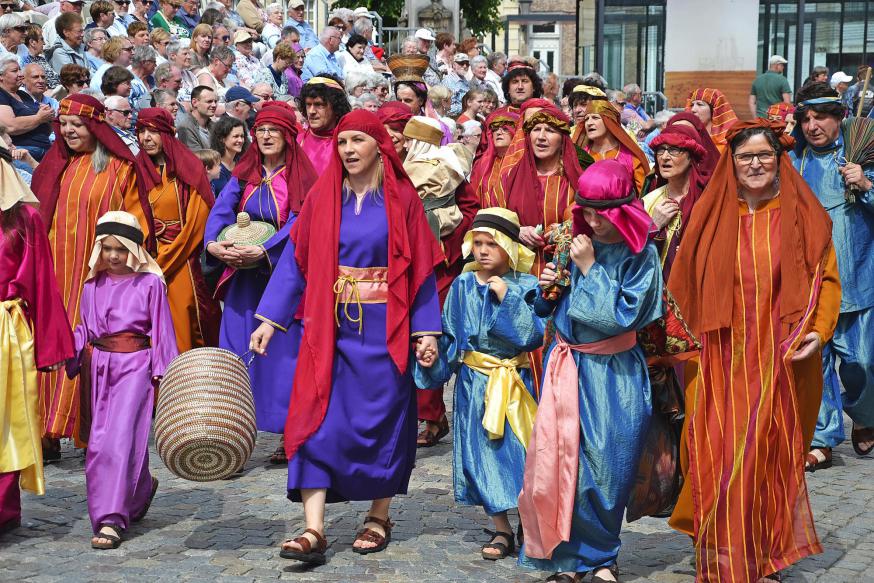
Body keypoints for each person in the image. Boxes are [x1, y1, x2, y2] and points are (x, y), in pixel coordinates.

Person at [248, 109, 441, 565]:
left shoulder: (402, 200)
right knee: (315, 422)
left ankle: (379, 515)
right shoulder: (322, 197)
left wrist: (426, 330)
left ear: (379, 146)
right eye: (342, 143)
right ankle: (313, 528)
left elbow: (422, 272)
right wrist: (269, 320)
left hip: (385, 330)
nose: (349, 150)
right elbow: (296, 262)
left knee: (383, 424)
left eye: (357, 141)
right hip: (330, 328)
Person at [668, 120, 839, 582]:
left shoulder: (804, 216)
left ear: (780, 160)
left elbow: (825, 279)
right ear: (732, 163)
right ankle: (727, 550)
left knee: (763, 455)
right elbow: (681, 285)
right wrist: (684, 343)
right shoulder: (711, 216)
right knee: (717, 455)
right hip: (719, 357)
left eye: (765, 155)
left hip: (776, 358)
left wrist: (818, 332)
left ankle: (756, 557)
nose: (756, 164)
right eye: (746, 157)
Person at [518, 159, 663, 583]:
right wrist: (547, 289)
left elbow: (625, 316)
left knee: (607, 468)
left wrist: (588, 270)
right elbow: (549, 307)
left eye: (604, 212)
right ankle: (570, 561)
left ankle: (602, 555)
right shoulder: (575, 242)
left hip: (614, 373)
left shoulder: (642, 255)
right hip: (567, 367)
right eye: (589, 211)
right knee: (563, 464)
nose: (595, 221)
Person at [414, 207, 541, 561]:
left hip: (516, 383)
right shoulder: (463, 285)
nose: (483, 251)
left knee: (522, 454)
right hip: (474, 386)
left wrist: (508, 299)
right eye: (478, 243)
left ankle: (529, 523)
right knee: (481, 458)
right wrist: (432, 356)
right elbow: (451, 336)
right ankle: (501, 527)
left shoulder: (526, 286)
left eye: (492, 244)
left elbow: (533, 335)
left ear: (510, 248)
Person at [32, 93, 156, 448]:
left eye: (77, 125)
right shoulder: (54, 165)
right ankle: (46, 431)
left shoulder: (121, 168)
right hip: (56, 272)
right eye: (64, 124)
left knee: (90, 347)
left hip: (97, 276)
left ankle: (87, 429)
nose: (69, 131)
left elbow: (137, 223)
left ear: (95, 127)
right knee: (51, 342)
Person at [204, 102, 316, 459]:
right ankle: (233, 437)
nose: (266, 136)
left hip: (282, 279)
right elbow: (222, 209)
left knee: (283, 357)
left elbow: (299, 221)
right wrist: (214, 244)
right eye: (262, 130)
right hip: (243, 278)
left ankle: (289, 432)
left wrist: (265, 250)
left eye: (274, 130)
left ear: (288, 135)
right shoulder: (245, 172)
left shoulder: (301, 176)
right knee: (235, 350)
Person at [66, 211, 176, 549]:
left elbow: (162, 331)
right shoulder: (92, 285)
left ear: (134, 249)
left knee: (121, 439)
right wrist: (62, 350)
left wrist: (166, 374)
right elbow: (85, 329)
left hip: (135, 367)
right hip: (99, 367)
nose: (113, 256)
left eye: (120, 249)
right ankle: (140, 487)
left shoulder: (150, 284)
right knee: (99, 444)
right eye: (107, 248)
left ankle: (110, 520)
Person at [792, 83, 874, 471]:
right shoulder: (794, 163)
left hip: (860, 279)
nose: (812, 125)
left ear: (840, 116)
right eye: (805, 118)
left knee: (862, 362)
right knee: (815, 360)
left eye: (820, 116)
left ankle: (865, 413)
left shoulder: (862, 156)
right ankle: (822, 437)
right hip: (811, 283)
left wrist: (866, 184)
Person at [0, 152, 74, 535]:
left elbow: (43, 283)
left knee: (7, 421)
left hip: (7, 333)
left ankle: (3, 506)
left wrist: (53, 347)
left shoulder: (24, 220)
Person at [132, 107, 220, 352]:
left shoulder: (187, 167)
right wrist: (145, 259)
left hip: (181, 259)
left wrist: (165, 259)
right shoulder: (135, 170)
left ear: (166, 133)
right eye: (141, 131)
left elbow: (197, 220)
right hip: (145, 258)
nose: (146, 138)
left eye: (153, 131)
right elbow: (130, 213)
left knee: (183, 319)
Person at [494, 99, 583, 277]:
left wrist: (568, 229)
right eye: (536, 130)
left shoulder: (576, 182)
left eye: (550, 130)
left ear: (562, 139)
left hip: (565, 272)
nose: (541, 137)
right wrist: (516, 230)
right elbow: (492, 221)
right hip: (517, 275)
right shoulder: (508, 178)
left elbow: (591, 223)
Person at [643, 114, 719, 280]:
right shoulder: (649, 201)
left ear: (691, 156)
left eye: (674, 150)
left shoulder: (710, 198)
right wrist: (654, 226)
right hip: (659, 293)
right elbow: (634, 256)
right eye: (660, 150)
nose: (664, 157)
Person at [577, 99, 650, 195]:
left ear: (609, 121)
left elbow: (644, 197)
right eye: (586, 119)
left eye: (595, 117)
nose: (589, 123)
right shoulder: (581, 157)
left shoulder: (631, 157)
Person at [0, 57, 53, 162]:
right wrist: (39, 118)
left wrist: (48, 116)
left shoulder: (23, 94)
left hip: (45, 147)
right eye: (15, 71)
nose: (20, 74)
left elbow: (45, 128)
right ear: (1, 76)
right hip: (22, 151)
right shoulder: (1, 95)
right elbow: (10, 126)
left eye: (20, 70)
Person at [297, 75, 350, 173]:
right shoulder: (297, 142)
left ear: (335, 107)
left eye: (319, 104)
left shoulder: (347, 144)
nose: (311, 111)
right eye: (308, 105)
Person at [472, 109, 519, 207]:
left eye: (505, 129)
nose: (499, 132)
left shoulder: (521, 163)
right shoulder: (482, 164)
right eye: (495, 129)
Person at [686, 87, 739, 153]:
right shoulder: (688, 137)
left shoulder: (729, 140)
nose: (693, 109)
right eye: (692, 105)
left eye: (700, 104)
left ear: (714, 110)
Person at [209, 114, 245, 194]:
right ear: (222, 139)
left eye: (242, 136)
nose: (240, 140)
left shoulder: (243, 163)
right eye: (236, 136)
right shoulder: (214, 167)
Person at [177, 85, 216, 151]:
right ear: (194, 102)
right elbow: (196, 156)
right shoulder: (185, 127)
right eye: (209, 101)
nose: (214, 105)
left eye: (215, 101)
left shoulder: (214, 126)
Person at [22, 25, 61, 90]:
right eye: (41, 39)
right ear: (32, 42)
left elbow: (55, 78)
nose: (44, 43)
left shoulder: (41, 59)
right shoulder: (25, 62)